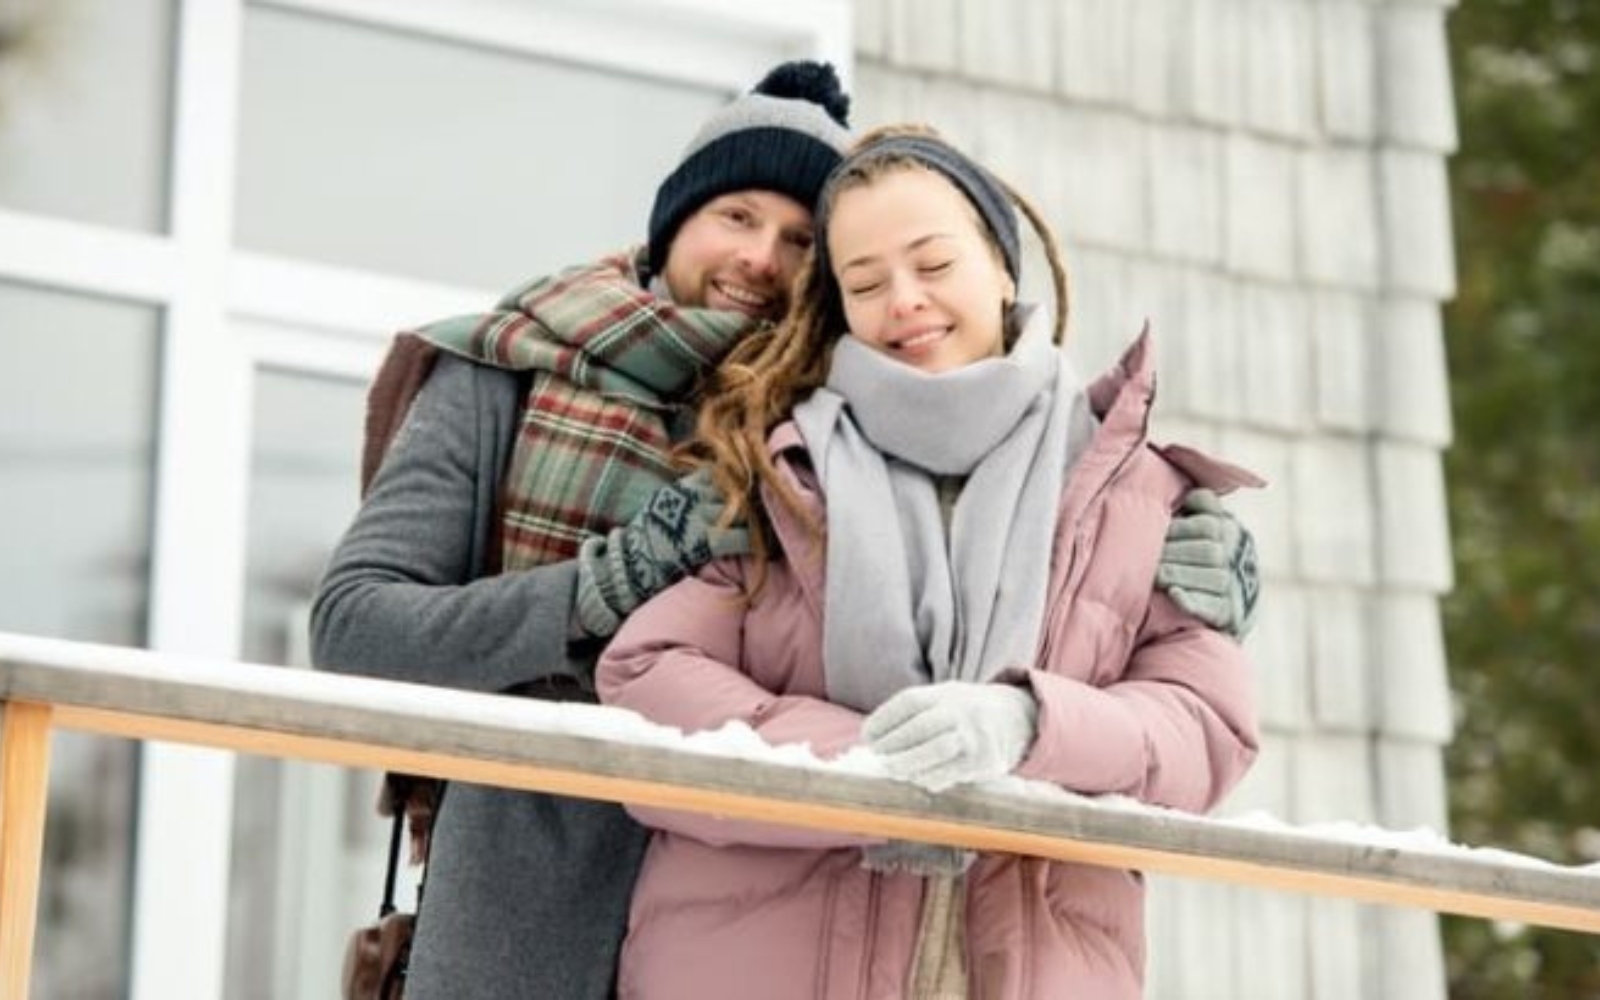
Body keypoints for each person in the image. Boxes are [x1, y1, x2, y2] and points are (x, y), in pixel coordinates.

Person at [595, 126, 1262, 999]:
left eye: (934, 265)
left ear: (1002, 269)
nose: (903, 301)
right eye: (865, 283)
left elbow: (1203, 726)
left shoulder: (1130, 487)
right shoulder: (782, 473)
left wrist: (1027, 725)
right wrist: (867, 762)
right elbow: (648, 682)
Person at [312, 62, 854, 1000]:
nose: (763, 258)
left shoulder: (833, 432)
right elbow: (357, 629)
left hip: (751, 922)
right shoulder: (504, 374)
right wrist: (590, 594)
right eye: (737, 216)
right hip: (518, 916)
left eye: (800, 238)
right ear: (675, 219)